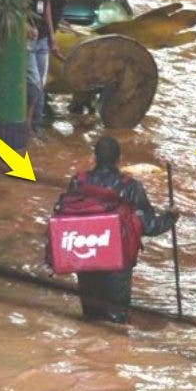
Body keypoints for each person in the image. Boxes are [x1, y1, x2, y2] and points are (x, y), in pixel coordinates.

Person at [66, 136, 179, 323]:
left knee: (90, 319)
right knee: (115, 323)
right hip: (117, 261)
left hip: (85, 256)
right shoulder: (131, 187)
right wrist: (171, 217)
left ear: (94, 158)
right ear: (119, 160)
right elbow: (149, 226)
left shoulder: (79, 182)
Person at [26, 0, 65, 135]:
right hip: (27, 39)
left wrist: (52, 36)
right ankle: (28, 126)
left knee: (40, 84)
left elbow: (46, 5)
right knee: (34, 83)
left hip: (42, 39)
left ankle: (37, 124)